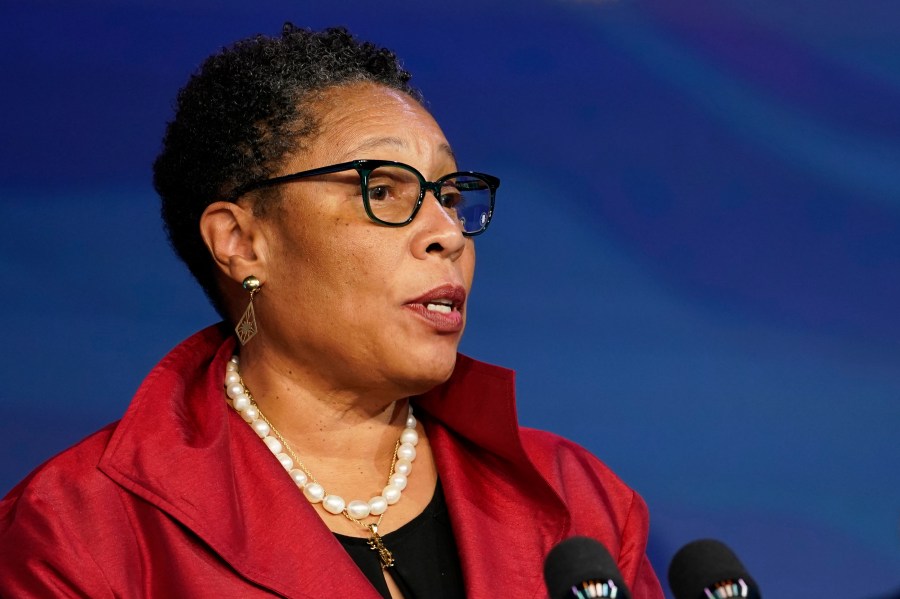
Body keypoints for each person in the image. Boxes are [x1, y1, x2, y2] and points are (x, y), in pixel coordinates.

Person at [0, 24, 664, 597]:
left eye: (449, 195)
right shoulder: (83, 530)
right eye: (382, 189)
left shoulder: (580, 502)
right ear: (241, 242)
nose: (449, 233)